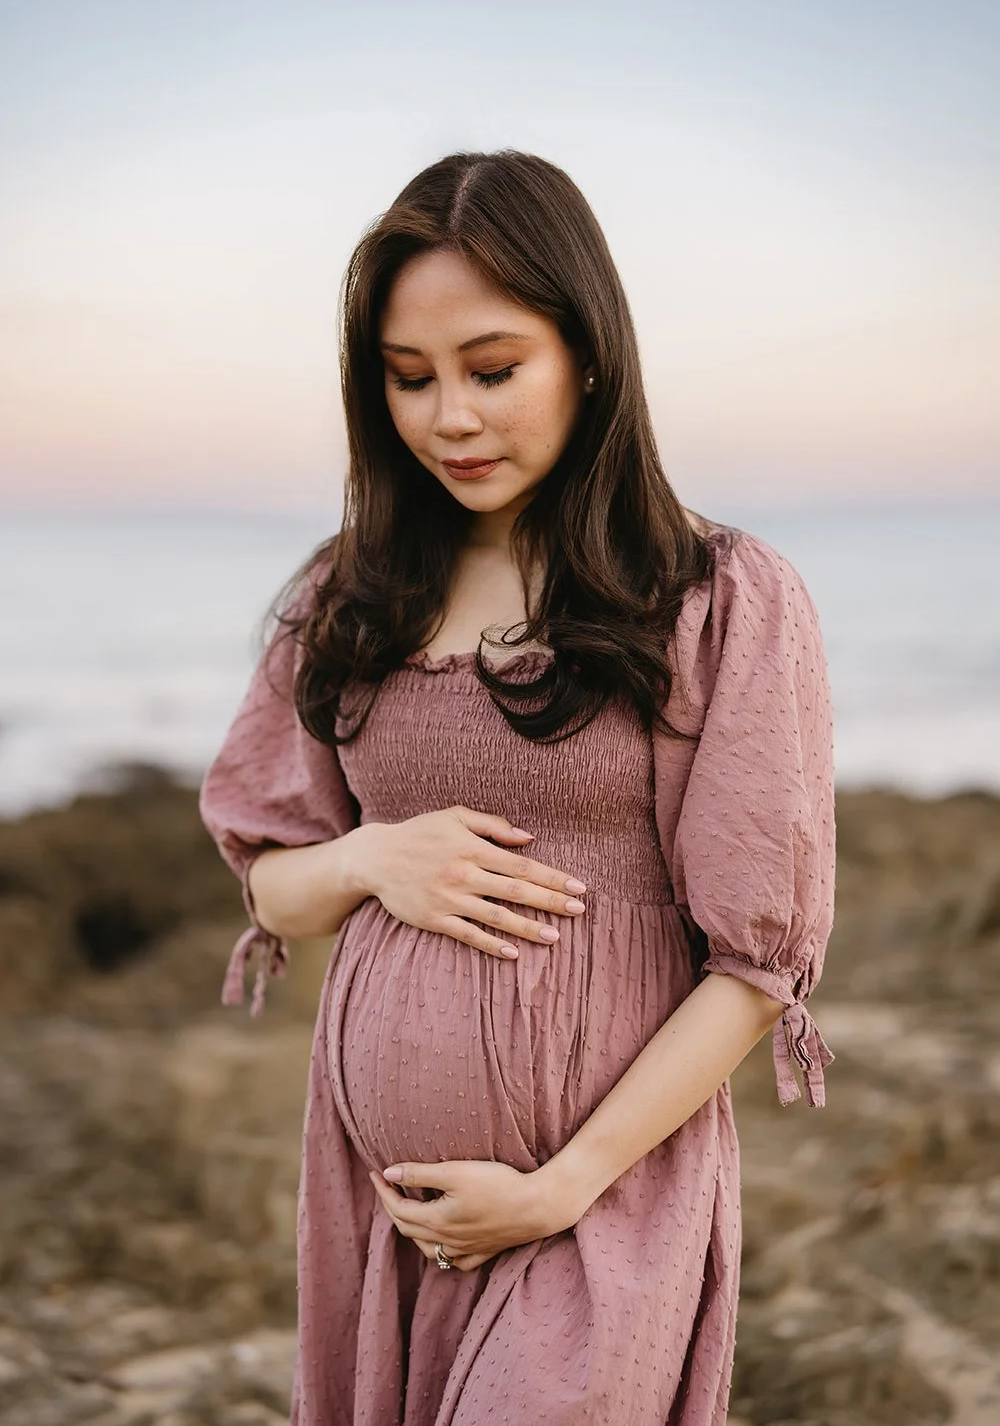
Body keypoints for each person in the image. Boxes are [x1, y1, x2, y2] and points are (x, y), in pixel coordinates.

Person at [200, 149, 836, 1426]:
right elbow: (276, 873)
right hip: (382, 1215)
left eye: (492, 371)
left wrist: (563, 1185)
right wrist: (372, 858)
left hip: (599, 1201)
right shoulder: (348, 595)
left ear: (588, 354)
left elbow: (759, 962)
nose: (449, 419)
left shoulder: (716, 599)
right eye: (407, 379)